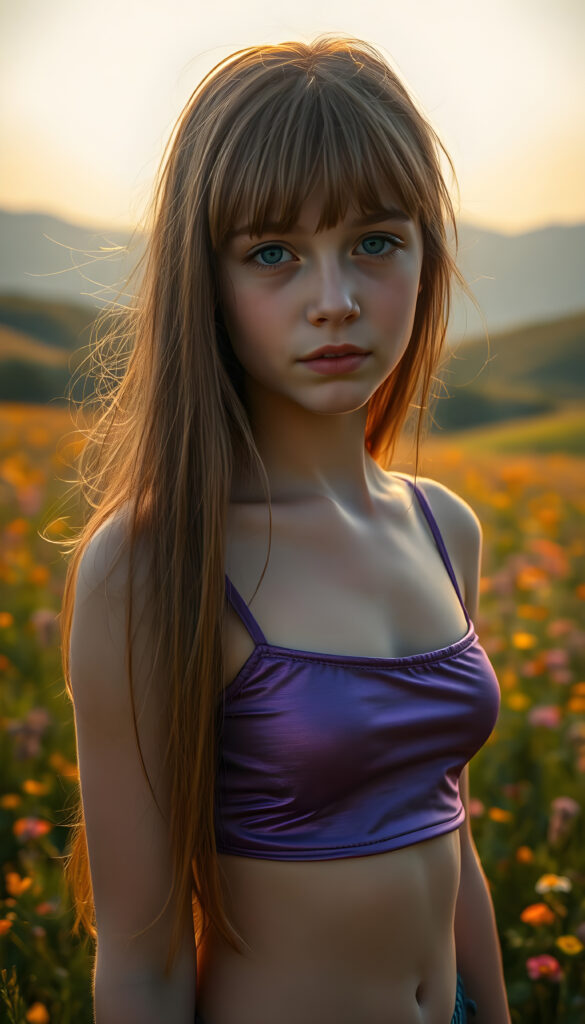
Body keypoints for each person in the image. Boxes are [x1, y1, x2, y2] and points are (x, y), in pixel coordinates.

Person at [61, 34, 511, 1024]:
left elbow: (451, 827)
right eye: (274, 253)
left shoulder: (444, 527)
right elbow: (138, 966)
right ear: (206, 282)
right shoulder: (152, 565)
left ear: (427, 252)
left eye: (376, 242)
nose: (336, 300)